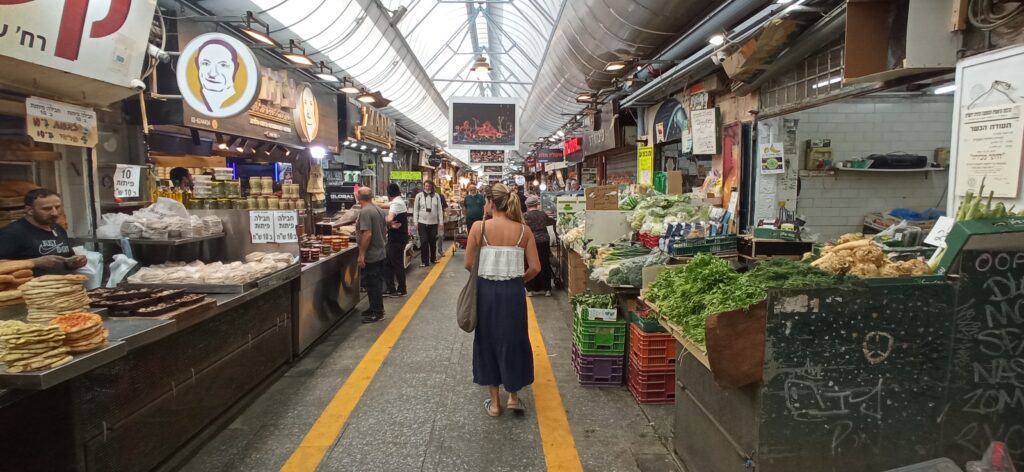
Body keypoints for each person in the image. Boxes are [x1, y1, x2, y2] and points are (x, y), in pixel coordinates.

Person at [464, 183, 541, 417]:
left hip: (486, 293)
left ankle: (495, 404)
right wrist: (518, 279)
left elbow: (468, 264)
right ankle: (514, 398)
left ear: (489, 202)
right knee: (514, 339)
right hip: (514, 292)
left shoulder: (479, 227)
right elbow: (535, 268)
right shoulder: (523, 231)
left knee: (487, 340)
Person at [0, 189, 86, 276]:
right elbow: (2, 264)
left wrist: (74, 263)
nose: (55, 213)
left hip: (61, 286)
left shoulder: (58, 228)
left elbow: (67, 260)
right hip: (30, 287)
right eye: (47, 209)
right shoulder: (12, 233)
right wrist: (36, 262)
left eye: (57, 207)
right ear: (29, 210)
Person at [355, 187, 388, 323]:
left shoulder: (365, 212)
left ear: (358, 197)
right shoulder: (378, 210)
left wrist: (361, 254)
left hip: (372, 254)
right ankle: (374, 307)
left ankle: (377, 313)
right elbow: (385, 229)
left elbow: (367, 233)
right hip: (380, 251)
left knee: (373, 283)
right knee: (374, 282)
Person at [523, 195, 555, 297]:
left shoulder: (525, 216)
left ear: (527, 206)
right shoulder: (543, 214)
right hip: (544, 241)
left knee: (530, 264)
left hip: (530, 241)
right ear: (537, 204)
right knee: (544, 263)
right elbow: (551, 222)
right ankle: (547, 289)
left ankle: (530, 289)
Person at [383, 183, 408, 298]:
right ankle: (390, 288)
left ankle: (402, 289)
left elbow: (389, 218)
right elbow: (385, 205)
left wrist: (387, 224)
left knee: (397, 263)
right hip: (398, 237)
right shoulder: (398, 201)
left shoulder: (396, 203)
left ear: (389, 193)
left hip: (397, 238)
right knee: (388, 262)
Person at [413, 180, 443, 267]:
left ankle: (433, 259)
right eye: (426, 186)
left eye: (429, 186)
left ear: (432, 187)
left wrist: (441, 222)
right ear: (424, 186)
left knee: (433, 242)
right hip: (422, 222)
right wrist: (415, 221)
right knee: (424, 241)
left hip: (433, 223)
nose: (428, 187)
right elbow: (415, 209)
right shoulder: (419, 196)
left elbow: (439, 210)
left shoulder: (437, 196)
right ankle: (424, 261)